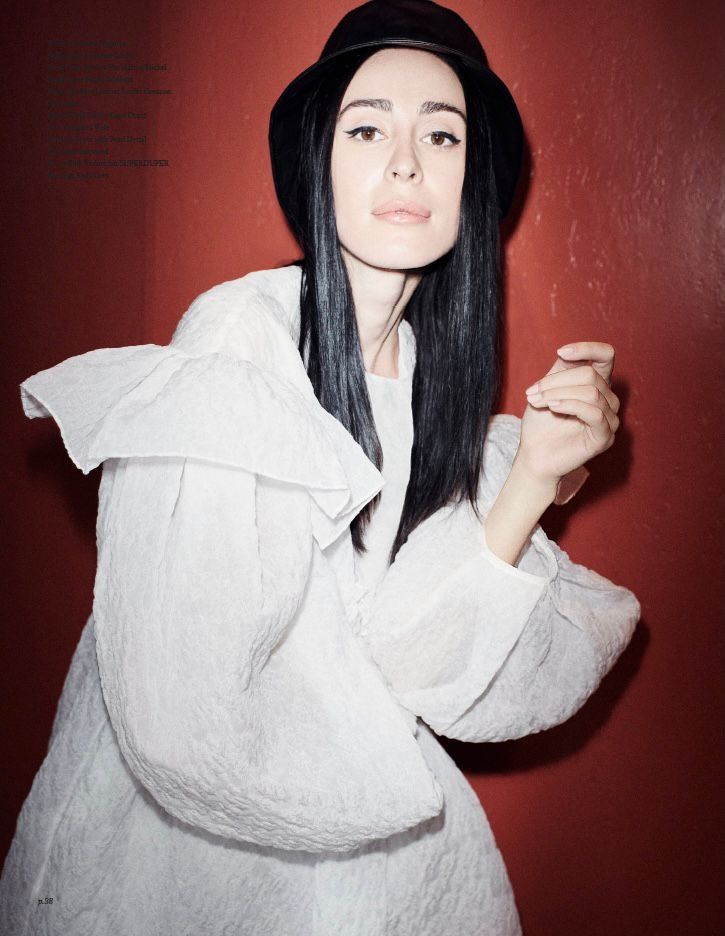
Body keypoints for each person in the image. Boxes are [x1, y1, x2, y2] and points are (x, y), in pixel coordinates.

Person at [0, 1, 641, 933]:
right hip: (182, 848)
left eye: (442, 135)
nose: (406, 163)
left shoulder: (428, 380)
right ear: (319, 162)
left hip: (350, 836)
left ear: (472, 179)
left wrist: (533, 479)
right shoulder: (239, 341)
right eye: (367, 128)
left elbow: (420, 661)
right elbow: (198, 712)